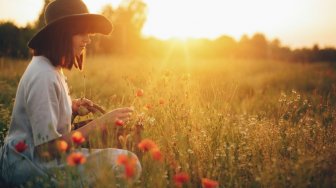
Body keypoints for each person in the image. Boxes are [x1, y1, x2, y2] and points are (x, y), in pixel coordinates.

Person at [0, 0, 141, 186]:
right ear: (63, 34)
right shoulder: (44, 75)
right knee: (128, 163)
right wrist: (100, 123)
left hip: (35, 161)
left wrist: (71, 109)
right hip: (30, 167)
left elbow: (47, 125)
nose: (88, 40)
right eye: (82, 33)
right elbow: (46, 149)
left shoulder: (50, 69)